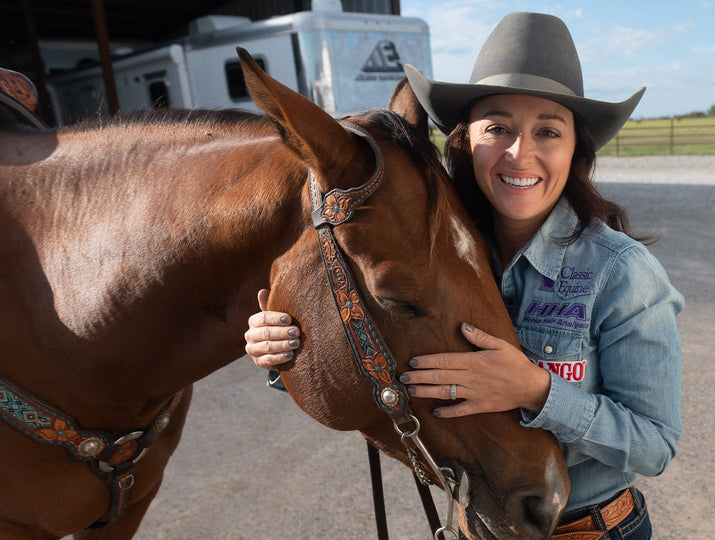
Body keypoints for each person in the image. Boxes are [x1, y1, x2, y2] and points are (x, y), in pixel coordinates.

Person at [244, 11, 682, 540]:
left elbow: (655, 444)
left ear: (576, 150)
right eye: (497, 127)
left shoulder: (620, 273)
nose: (521, 153)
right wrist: (286, 349)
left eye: (548, 130)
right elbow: (384, 348)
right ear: (465, 140)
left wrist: (537, 391)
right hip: (482, 521)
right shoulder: (441, 251)